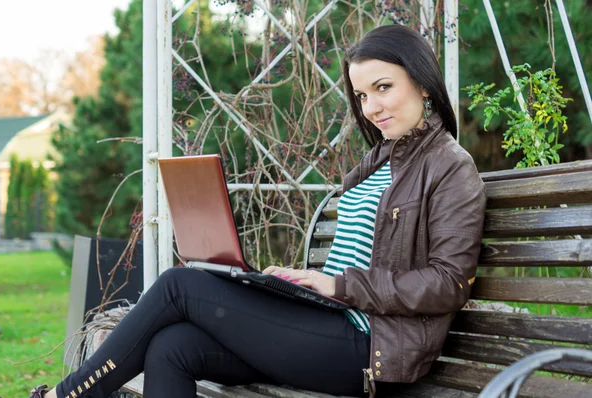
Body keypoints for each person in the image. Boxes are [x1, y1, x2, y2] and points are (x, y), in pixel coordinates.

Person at [25, 24, 486, 398]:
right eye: (363, 96)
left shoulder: (450, 168)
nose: (371, 108)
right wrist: (297, 284)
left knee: (179, 284)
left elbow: (447, 284)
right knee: (173, 346)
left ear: (423, 83)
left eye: (383, 88)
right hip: (327, 322)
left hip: (369, 350)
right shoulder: (377, 162)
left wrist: (340, 284)